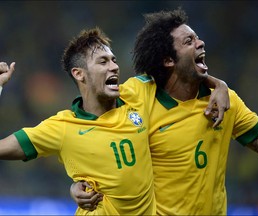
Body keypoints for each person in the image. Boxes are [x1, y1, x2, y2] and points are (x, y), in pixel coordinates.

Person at [70, 8, 258, 215]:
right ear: (168, 60)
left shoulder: (223, 100)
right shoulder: (140, 94)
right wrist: (80, 181)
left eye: (197, 38)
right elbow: (93, 122)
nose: (201, 43)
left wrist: (219, 85)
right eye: (189, 41)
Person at [0, 26, 229, 214]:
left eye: (113, 60)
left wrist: (218, 85)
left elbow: (182, 69)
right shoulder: (60, 128)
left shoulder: (137, 93)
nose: (114, 66)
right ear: (79, 74)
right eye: (103, 62)